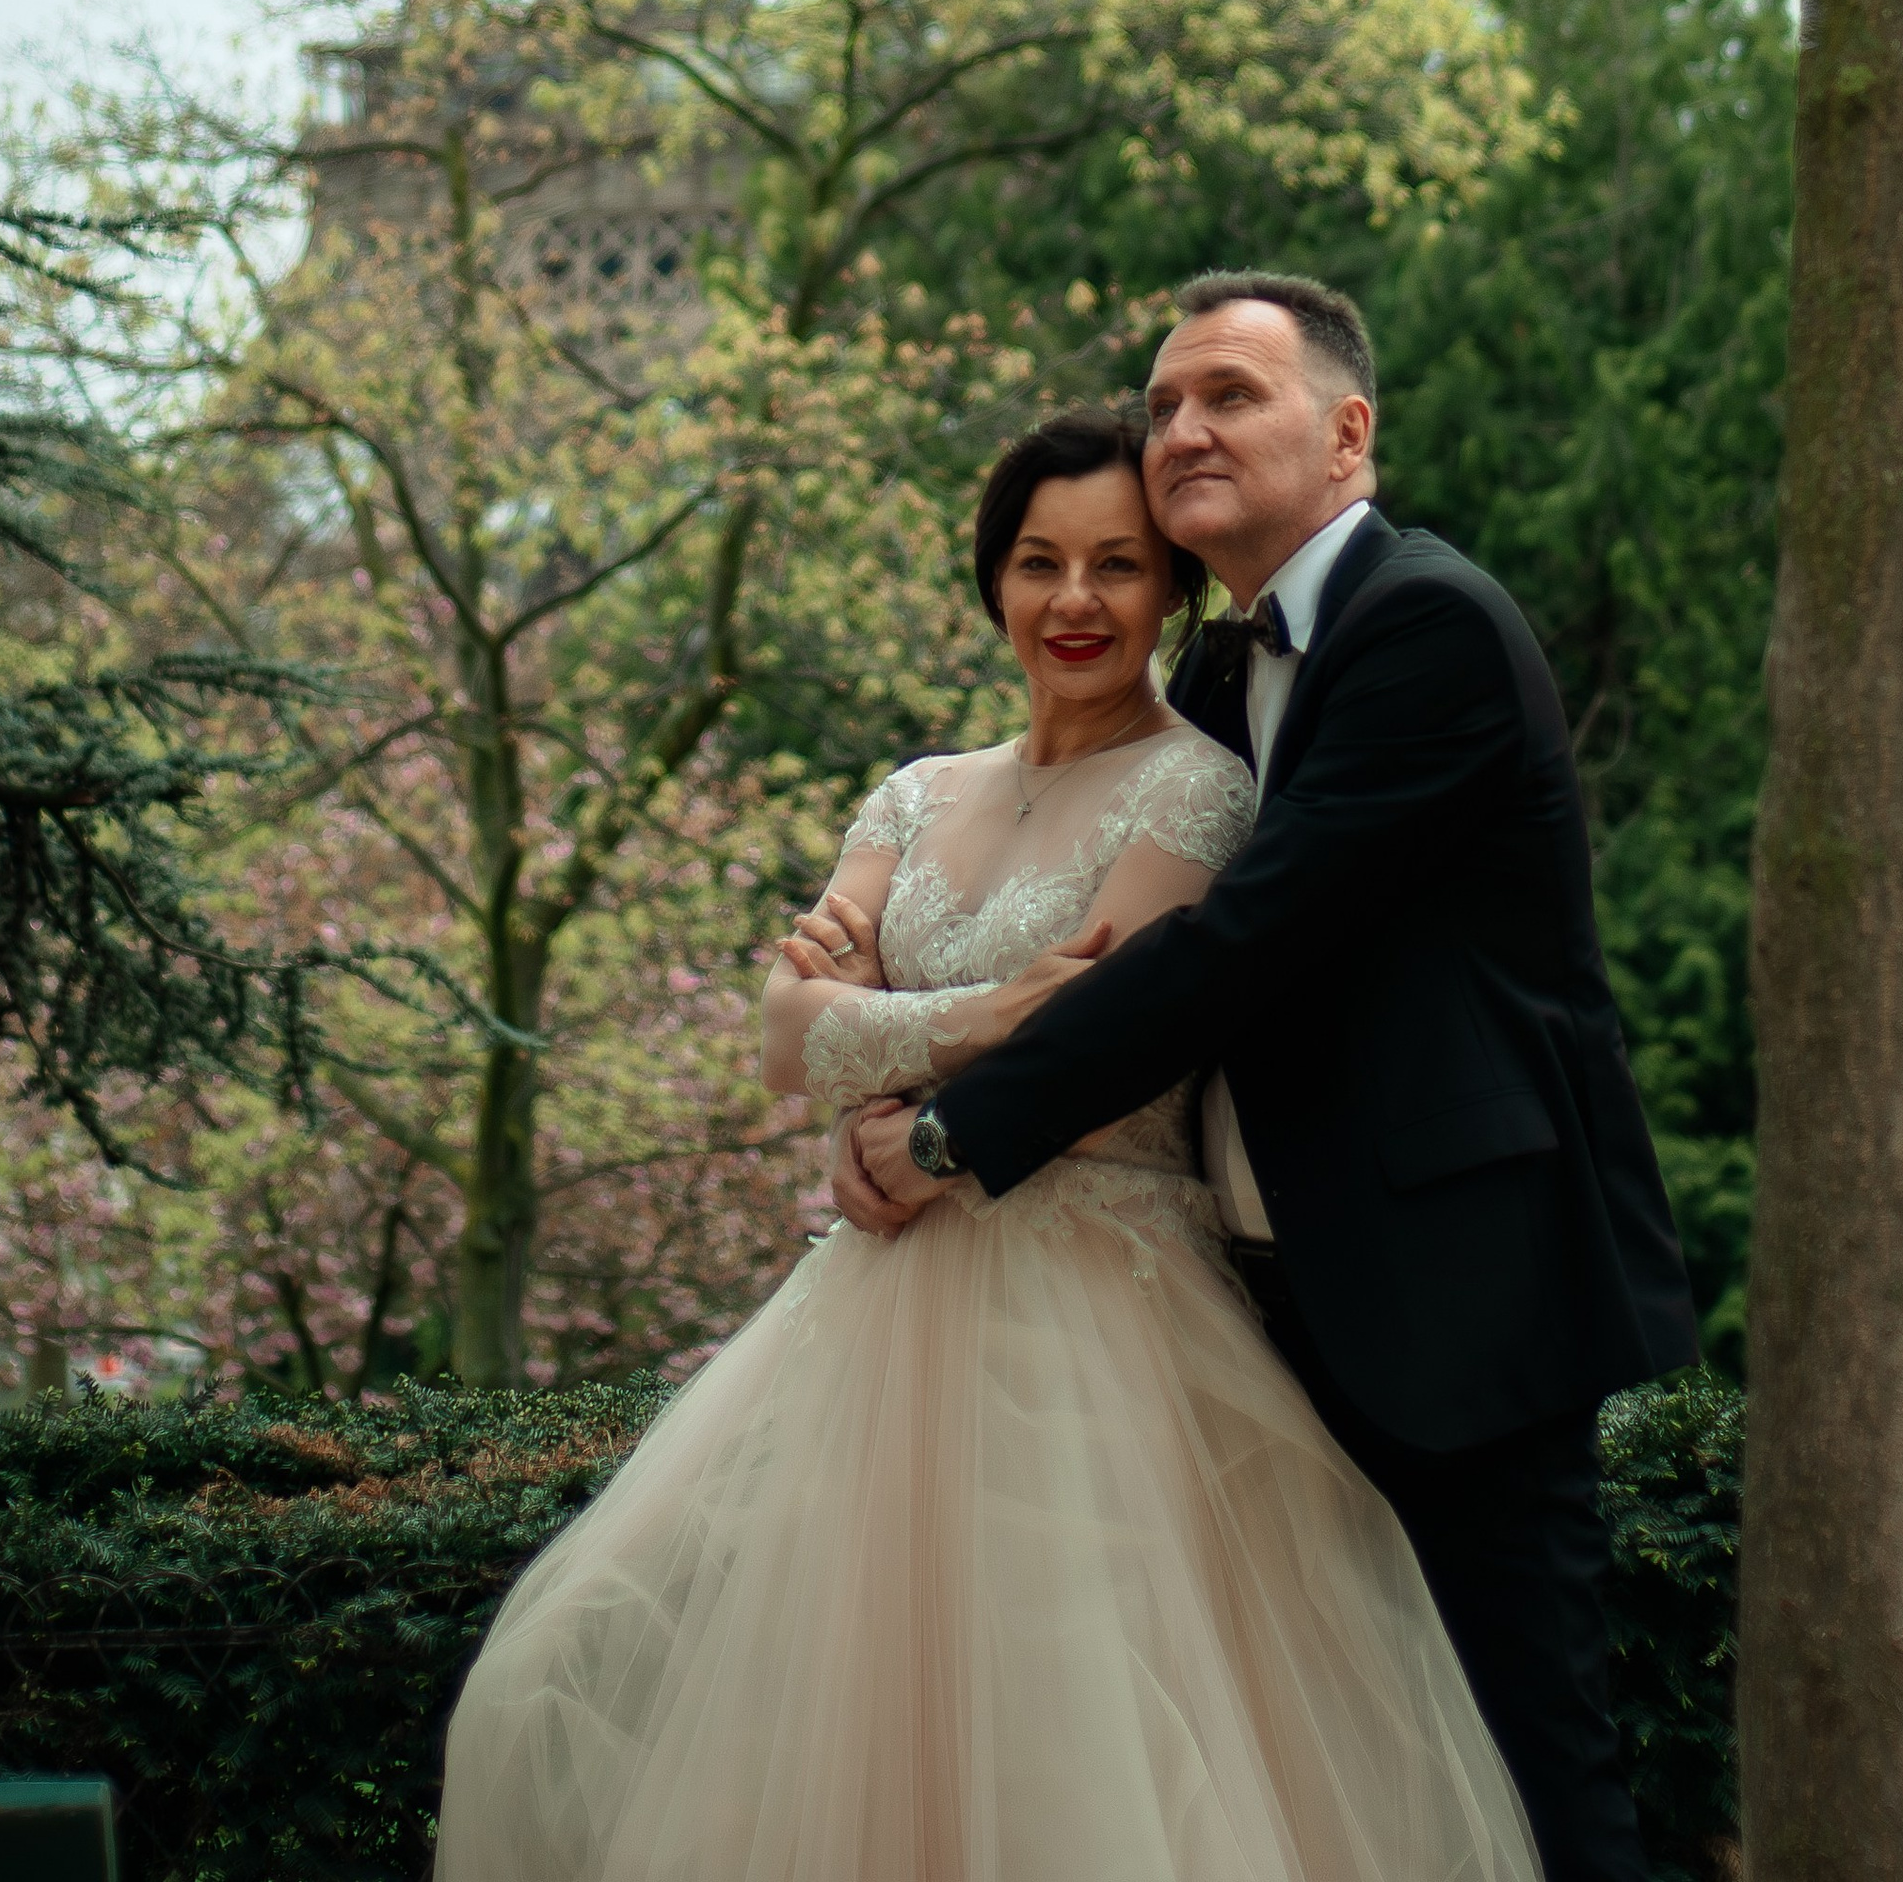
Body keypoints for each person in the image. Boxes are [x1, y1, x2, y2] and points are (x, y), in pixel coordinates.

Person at [434, 400, 1541, 1882]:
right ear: (993, 582)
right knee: (775, 1719)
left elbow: (1101, 1033)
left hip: (1101, 1330)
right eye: (1039, 562)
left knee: (1069, 1750)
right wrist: (985, 1015)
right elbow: (786, 1038)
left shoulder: (1198, 790)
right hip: (879, 1316)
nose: (1076, 600)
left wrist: (887, 1034)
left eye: (1118, 565)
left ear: (1171, 592)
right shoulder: (914, 794)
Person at [848, 272, 1700, 1882]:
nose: (1181, 429)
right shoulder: (1215, 685)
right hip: (1247, 1300)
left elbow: (1241, 947)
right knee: (1341, 1792)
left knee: (1528, 1775)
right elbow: (1098, 943)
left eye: (1230, 395)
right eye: (1165, 403)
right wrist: (874, 985)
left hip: (1453, 1297)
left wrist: (954, 1134)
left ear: (1348, 432)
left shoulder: (1430, 626)